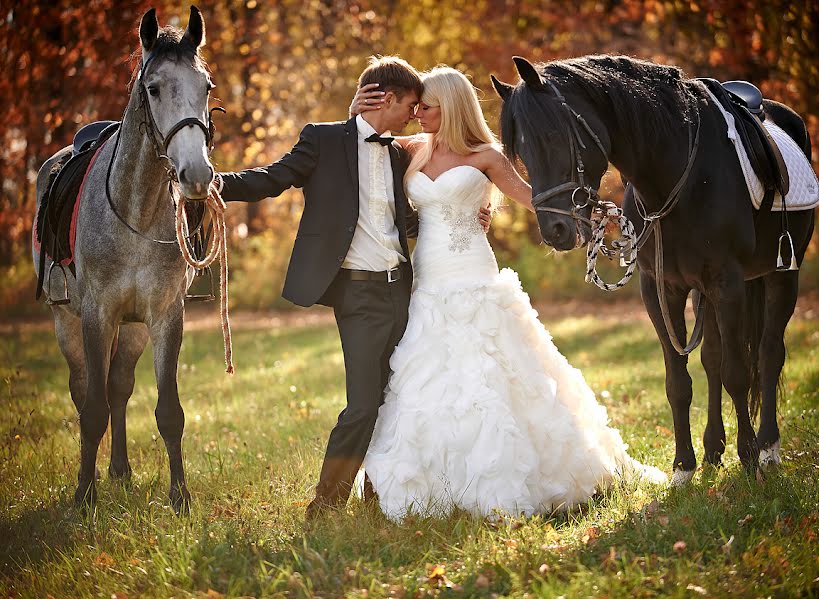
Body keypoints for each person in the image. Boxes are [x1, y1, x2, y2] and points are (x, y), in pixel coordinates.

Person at [351, 66, 667, 521]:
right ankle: (428, 479)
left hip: (476, 273)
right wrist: (355, 111)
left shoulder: (487, 156)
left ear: (453, 107)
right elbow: (361, 149)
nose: (417, 113)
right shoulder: (411, 150)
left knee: (497, 370)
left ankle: (523, 475)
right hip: (430, 279)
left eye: (428, 107)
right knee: (426, 372)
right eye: (417, 106)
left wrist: (595, 210)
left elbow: (533, 195)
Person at [216, 56, 491, 520]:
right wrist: (211, 184)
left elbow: (416, 211)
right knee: (363, 404)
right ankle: (325, 503)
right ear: (386, 98)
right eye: (410, 105)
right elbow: (271, 178)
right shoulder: (322, 140)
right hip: (358, 296)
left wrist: (468, 215)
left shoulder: (402, 152)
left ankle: (381, 493)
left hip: (405, 290)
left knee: (399, 397)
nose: (413, 115)